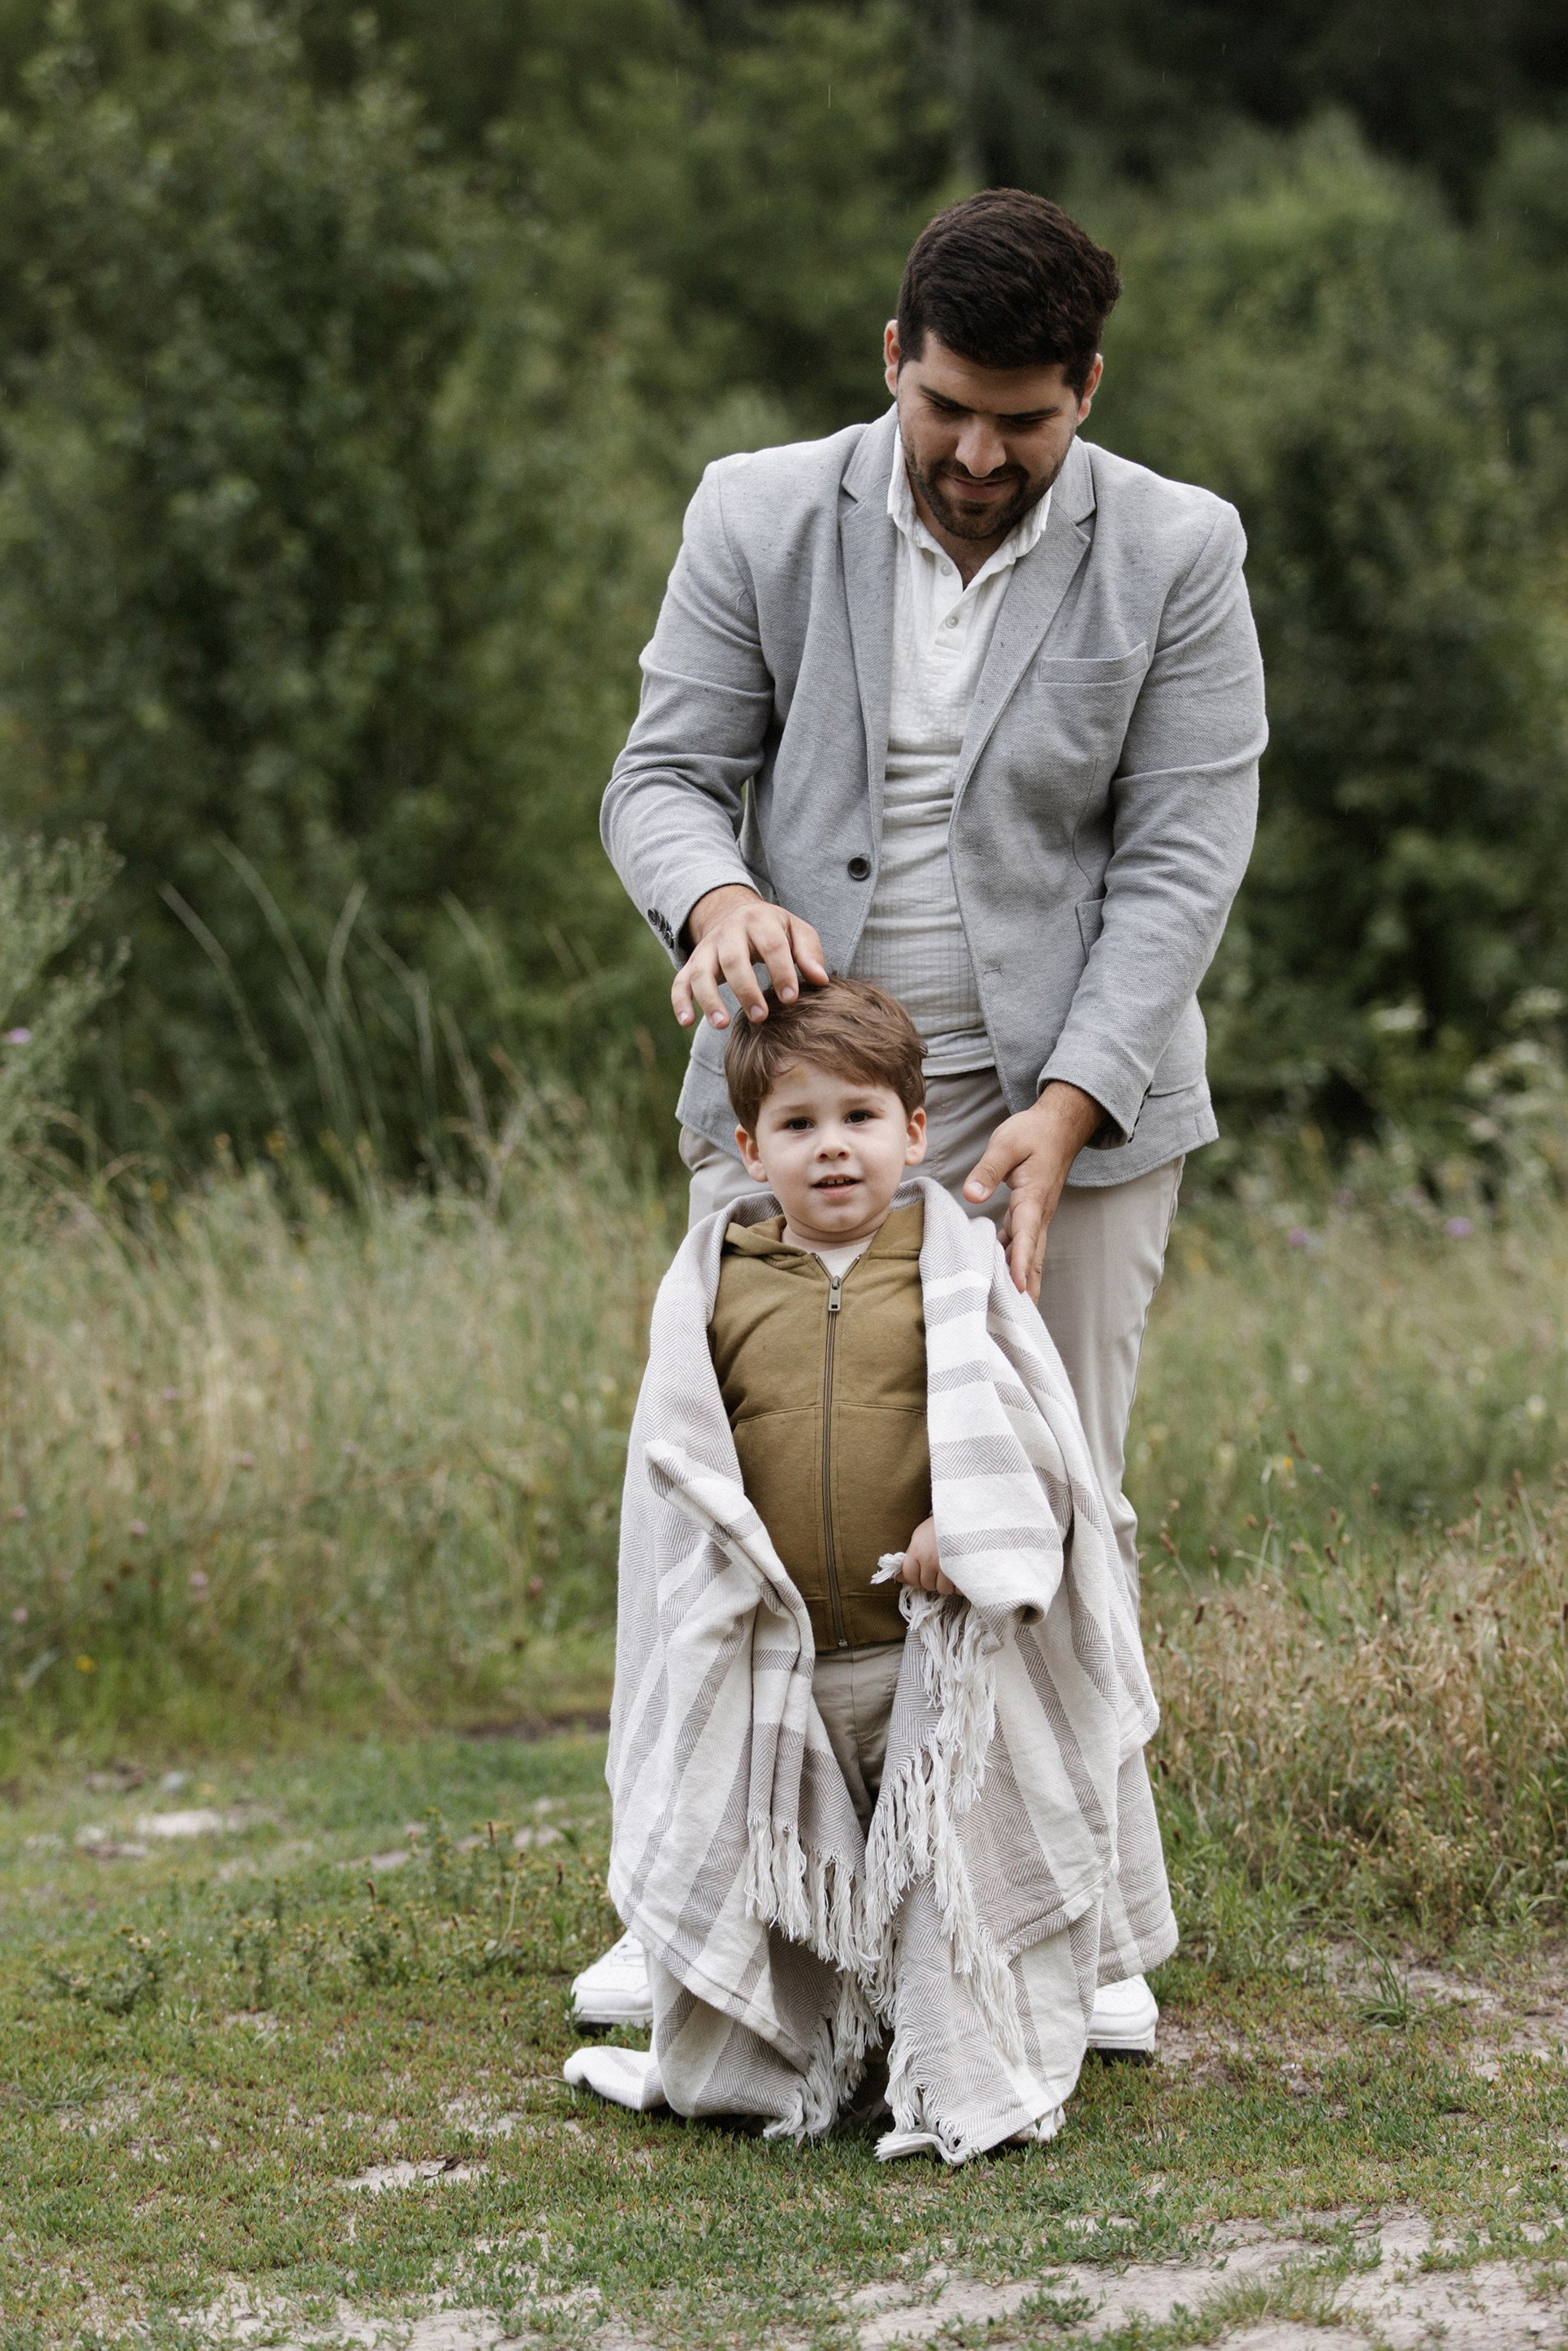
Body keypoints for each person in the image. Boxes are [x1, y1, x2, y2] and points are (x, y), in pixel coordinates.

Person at [580, 187, 1266, 2046]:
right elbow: (662, 778)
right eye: (947, 406)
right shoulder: (751, 509)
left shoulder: (1179, 549)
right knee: (722, 1503)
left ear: (1086, 393)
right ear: (893, 359)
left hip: (1068, 1113)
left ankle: (1078, 1919)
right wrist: (713, 901)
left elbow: (1182, 854)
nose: (977, 456)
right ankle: (690, 1911)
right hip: (796, 1102)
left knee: (1048, 1496)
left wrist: (1062, 1106)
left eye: (1023, 422)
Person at [565, 980, 1163, 2158]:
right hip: (779, 1654)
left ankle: (961, 2073)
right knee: (781, 1868)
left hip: (920, 1655)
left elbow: (1028, 1429)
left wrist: (970, 1514)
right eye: (796, 1124)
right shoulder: (722, 1284)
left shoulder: (947, 1269)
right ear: (748, 1148)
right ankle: (763, 2058)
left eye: (859, 1117)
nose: (830, 1145)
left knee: (946, 1875)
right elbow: (680, 1458)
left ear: (914, 1131)